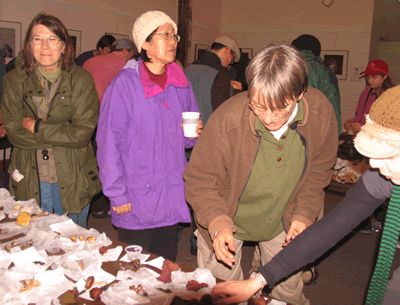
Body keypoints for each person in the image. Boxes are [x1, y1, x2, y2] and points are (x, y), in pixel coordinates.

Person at [211, 84, 400, 305]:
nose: (375, 164)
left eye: (389, 155)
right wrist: (257, 281)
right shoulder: (383, 176)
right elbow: (331, 228)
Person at [184, 43, 338, 305]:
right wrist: (217, 222)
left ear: (299, 93)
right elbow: (200, 178)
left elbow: (319, 170)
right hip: (225, 214)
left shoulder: (320, 111)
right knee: (222, 292)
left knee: (287, 293)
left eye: (279, 109)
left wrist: (304, 214)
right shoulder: (228, 119)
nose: (268, 118)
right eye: (258, 106)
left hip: (284, 219)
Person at [96, 10, 202, 262]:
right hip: (135, 195)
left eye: (174, 35)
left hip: (170, 191)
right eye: (164, 35)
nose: (173, 40)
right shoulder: (125, 85)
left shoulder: (180, 80)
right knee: (136, 272)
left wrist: (193, 134)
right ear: (145, 43)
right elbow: (109, 142)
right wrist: (116, 193)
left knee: (165, 267)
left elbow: (187, 137)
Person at [1, 12, 101, 227]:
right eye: (37, 39)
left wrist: (35, 125)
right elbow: (14, 133)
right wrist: (65, 132)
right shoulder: (14, 80)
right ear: (29, 44)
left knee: (74, 246)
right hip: (30, 175)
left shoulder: (81, 80)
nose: (45, 46)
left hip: (73, 175)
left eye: (52, 39)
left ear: (64, 45)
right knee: (35, 244)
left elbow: (81, 135)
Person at [184, 34, 242, 126]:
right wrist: (237, 92)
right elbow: (225, 115)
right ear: (227, 50)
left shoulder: (187, 69)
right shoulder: (221, 74)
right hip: (209, 134)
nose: (229, 64)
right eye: (232, 59)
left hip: (188, 131)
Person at [292, 34, 341, 135]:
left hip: (287, 130)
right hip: (315, 130)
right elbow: (333, 106)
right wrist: (336, 133)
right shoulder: (326, 74)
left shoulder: (288, 70)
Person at [344, 59, 394, 136]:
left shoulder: (391, 96)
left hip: (378, 140)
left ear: (384, 77)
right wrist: (352, 122)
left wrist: (363, 127)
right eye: (368, 77)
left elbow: (389, 125)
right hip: (361, 138)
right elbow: (359, 116)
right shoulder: (365, 93)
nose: (370, 80)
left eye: (374, 77)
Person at [83, 38, 136, 106]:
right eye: (131, 55)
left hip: (85, 106)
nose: (131, 58)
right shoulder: (125, 67)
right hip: (105, 108)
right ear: (125, 52)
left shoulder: (89, 61)